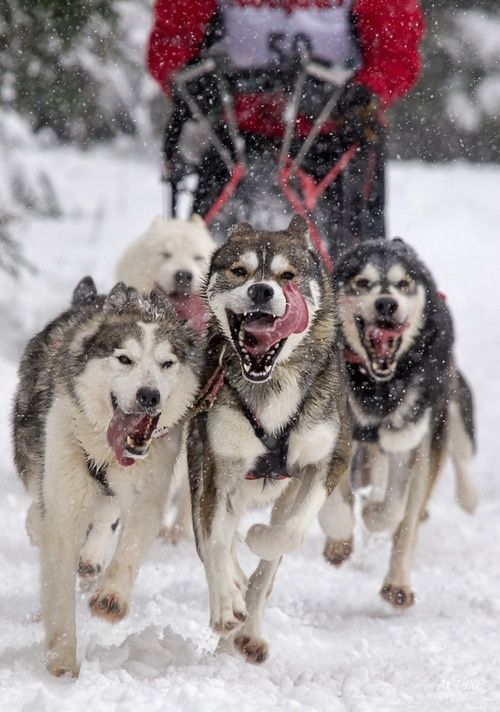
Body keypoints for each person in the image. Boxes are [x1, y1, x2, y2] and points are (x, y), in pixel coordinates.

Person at [147, 0, 425, 260]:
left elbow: (396, 50)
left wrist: (368, 92)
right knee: (205, 249)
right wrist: (188, 78)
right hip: (237, 128)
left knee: (353, 250)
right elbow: (172, 40)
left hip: (332, 132)